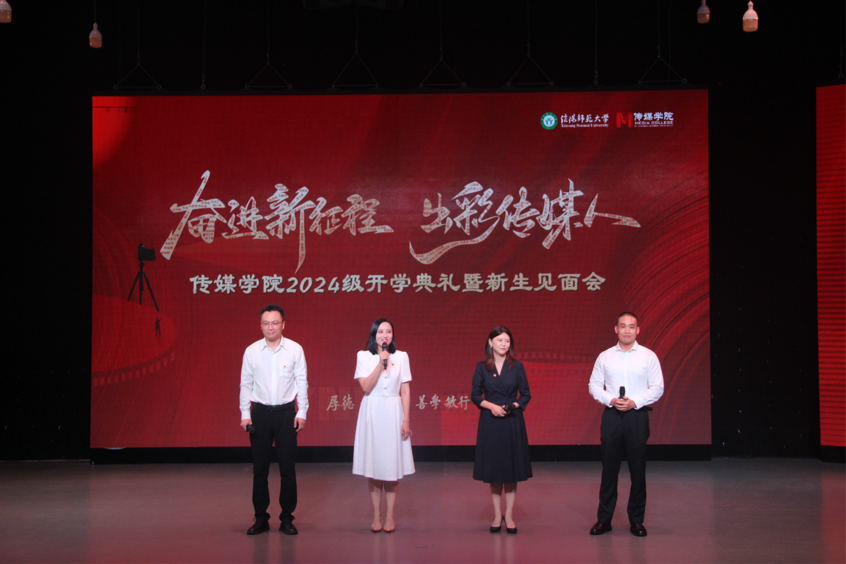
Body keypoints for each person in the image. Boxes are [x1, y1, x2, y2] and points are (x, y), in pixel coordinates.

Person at [588, 312, 664, 537]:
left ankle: (636, 520)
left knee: (638, 470)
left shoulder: (648, 356)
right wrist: (611, 400)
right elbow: (594, 385)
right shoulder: (605, 356)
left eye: (631, 326)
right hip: (612, 415)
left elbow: (657, 387)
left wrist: (635, 402)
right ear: (616, 329)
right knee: (609, 470)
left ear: (638, 330)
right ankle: (604, 520)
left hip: (637, 416)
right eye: (623, 326)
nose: (627, 330)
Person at [239, 304, 308, 536]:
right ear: (261, 326)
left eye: (275, 323)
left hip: (286, 414)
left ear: (283, 325)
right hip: (259, 414)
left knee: (288, 469)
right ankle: (261, 518)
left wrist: (302, 411)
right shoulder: (251, 351)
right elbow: (245, 384)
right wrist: (245, 414)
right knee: (260, 470)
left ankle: (287, 518)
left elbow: (302, 382)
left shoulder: (295, 349)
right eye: (266, 323)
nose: (271, 327)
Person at [352, 319, 415, 533]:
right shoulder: (363, 356)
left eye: (388, 331)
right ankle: (376, 514)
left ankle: (390, 514)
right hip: (372, 410)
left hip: (394, 412)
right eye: (380, 332)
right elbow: (366, 387)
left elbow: (405, 390)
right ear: (374, 335)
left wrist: (406, 419)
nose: (385, 335)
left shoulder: (402, 356)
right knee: (374, 466)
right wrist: (380, 363)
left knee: (391, 466)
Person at [471, 326, 532, 534]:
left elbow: (525, 395)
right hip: (491, 422)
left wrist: (512, 406)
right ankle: (498, 515)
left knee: (511, 471)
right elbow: (475, 395)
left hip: (512, 421)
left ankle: (510, 514)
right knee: (495, 471)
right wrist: (492, 407)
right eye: (499, 340)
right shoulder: (482, 367)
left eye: (507, 341)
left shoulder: (517, 366)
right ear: (490, 342)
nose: (504, 344)